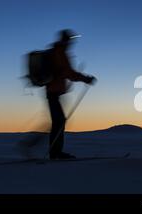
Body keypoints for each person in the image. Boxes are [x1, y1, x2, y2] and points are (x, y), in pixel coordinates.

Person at [46, 29, 96, 159]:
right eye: (70, 39)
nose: (72, 42)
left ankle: (54, 152)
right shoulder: (60, 52)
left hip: (52, 91)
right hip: (53, 91)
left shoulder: (57, 51)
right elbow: (68, 73)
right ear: (66, 40)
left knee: (58, 121)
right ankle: (55, 153)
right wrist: (86, 79)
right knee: (59, 121)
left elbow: (66, 72)